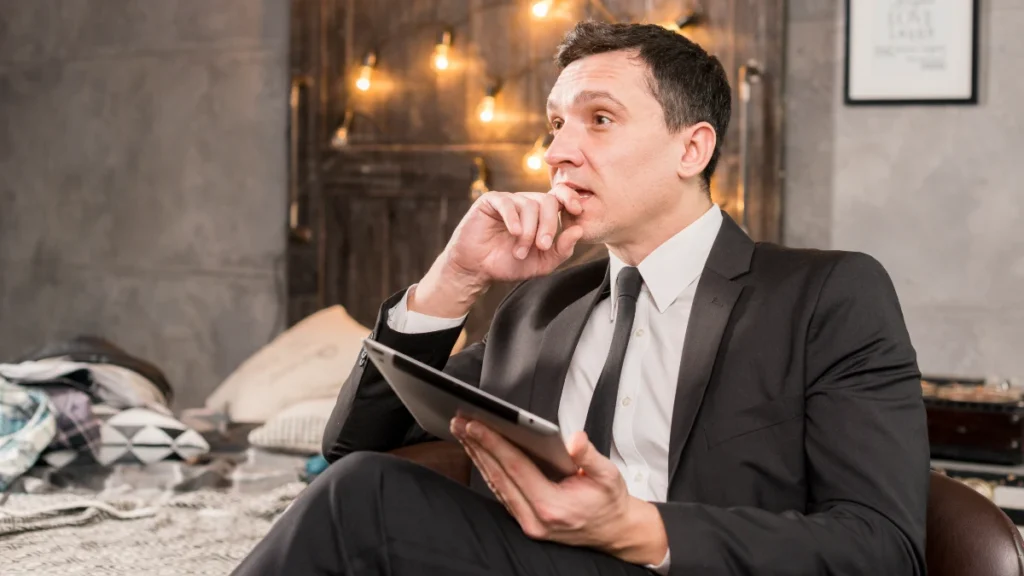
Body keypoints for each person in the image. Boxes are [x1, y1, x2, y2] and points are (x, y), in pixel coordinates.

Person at [233, 21, 928, 576]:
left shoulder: (826, 296)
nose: (557, 152)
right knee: (361, 489)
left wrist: (639, 528)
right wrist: (455, 277)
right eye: (555, 125)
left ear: (692, 150)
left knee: (365, 498)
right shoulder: (541, 306)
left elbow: (884, 548)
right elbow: (354, 446)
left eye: (598, 119)